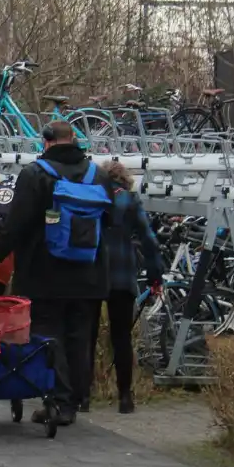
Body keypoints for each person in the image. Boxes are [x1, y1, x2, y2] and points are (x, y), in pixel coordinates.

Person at [0, 121, 113, 426]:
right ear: (73, 140)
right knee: (79, 338)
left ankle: (58, 403)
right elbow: (111, 224)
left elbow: (15, 229)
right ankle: (76, 401)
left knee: (49, 337)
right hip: (89, 276)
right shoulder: (97, 175)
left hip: (44, 275)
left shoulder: (35, 175)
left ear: (46, 143)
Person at [84, 161, 163, 414]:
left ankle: (83, 396)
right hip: (122, 273)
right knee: (121, 338)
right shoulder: (129, 200)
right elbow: (148, 240)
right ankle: (125, 397)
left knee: (87, 336)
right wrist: (155, 276)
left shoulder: (91, 197)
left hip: (93, 272)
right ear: (125, 179)